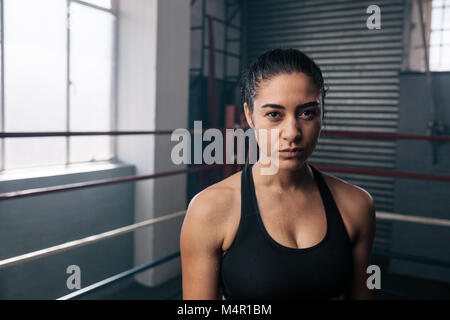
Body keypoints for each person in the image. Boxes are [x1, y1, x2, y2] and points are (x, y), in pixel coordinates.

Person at [180, 48, 376, 300]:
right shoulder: (209, 209)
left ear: (322, 113)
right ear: (250, 116)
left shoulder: (357, 204)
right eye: (274, 114)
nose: (292, 132)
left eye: (307, 112)